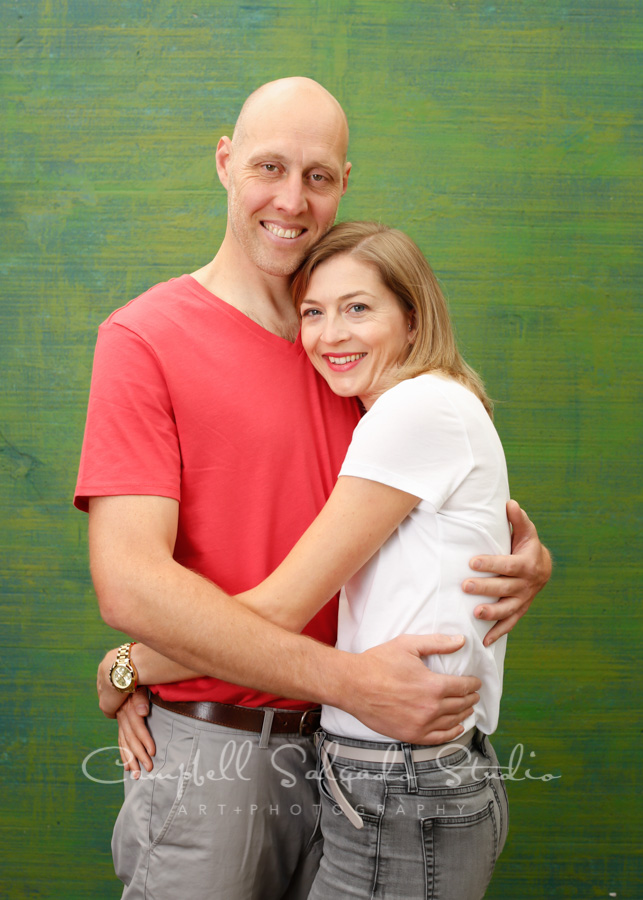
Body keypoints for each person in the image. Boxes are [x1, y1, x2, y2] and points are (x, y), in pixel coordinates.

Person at [79, 78, 551, 900]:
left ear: (342, 184)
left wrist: (512, 555)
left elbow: (420, 522)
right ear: (225, 164)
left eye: (318, 176)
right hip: (217, 754)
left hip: (365, 758)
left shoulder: (354, 358)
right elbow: (130, 580)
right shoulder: (145, 338)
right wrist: (138, 660)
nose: (290, 200)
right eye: (267, 167)